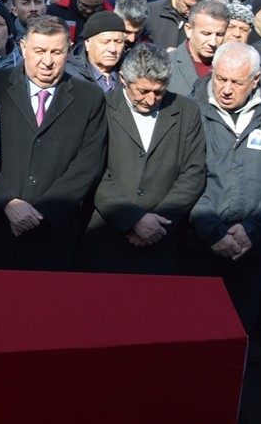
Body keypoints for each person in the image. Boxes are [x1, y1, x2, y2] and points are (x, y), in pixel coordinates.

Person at [185, 41, 261, 424]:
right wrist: (212, 230)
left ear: (255, 80)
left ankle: (228, 407)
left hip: (255, 246)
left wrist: (253, 229)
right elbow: (185, 176)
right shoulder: (190, 110)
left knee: (240, 330)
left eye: (237, 82)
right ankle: (188, 403)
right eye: (220, 79)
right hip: (202, 243)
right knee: (196, 329)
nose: (226, 89)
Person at [0, 15, 107, 271]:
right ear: (23, 47)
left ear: (68, 51)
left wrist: (43, 212)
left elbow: (88, 164)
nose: (48, 61)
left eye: (56, 52)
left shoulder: (89, 97)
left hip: (56, 233)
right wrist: (7, 201)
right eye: (39, 51)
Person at [80, 44, 206, 275]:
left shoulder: (187, 111)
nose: (151, 100)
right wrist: (132, 219)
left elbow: (193, 173)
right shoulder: (101, 107)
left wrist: (159, 221)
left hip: (162, 240)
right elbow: (93, 170)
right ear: (123, 80)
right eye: (143, 91)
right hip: (106, 237)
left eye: (159, 92)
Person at [168, 0, 229, 96]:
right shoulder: (167, 64)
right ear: (189, 30)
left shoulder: (231, 65)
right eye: (206, 34)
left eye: (219, 35)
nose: (213, 42)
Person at [65, 11, 127, 91]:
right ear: (88, 43)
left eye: (118, 42)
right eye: (106, 42)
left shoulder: (132, 73)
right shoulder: (69, 76)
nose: (113, 49)